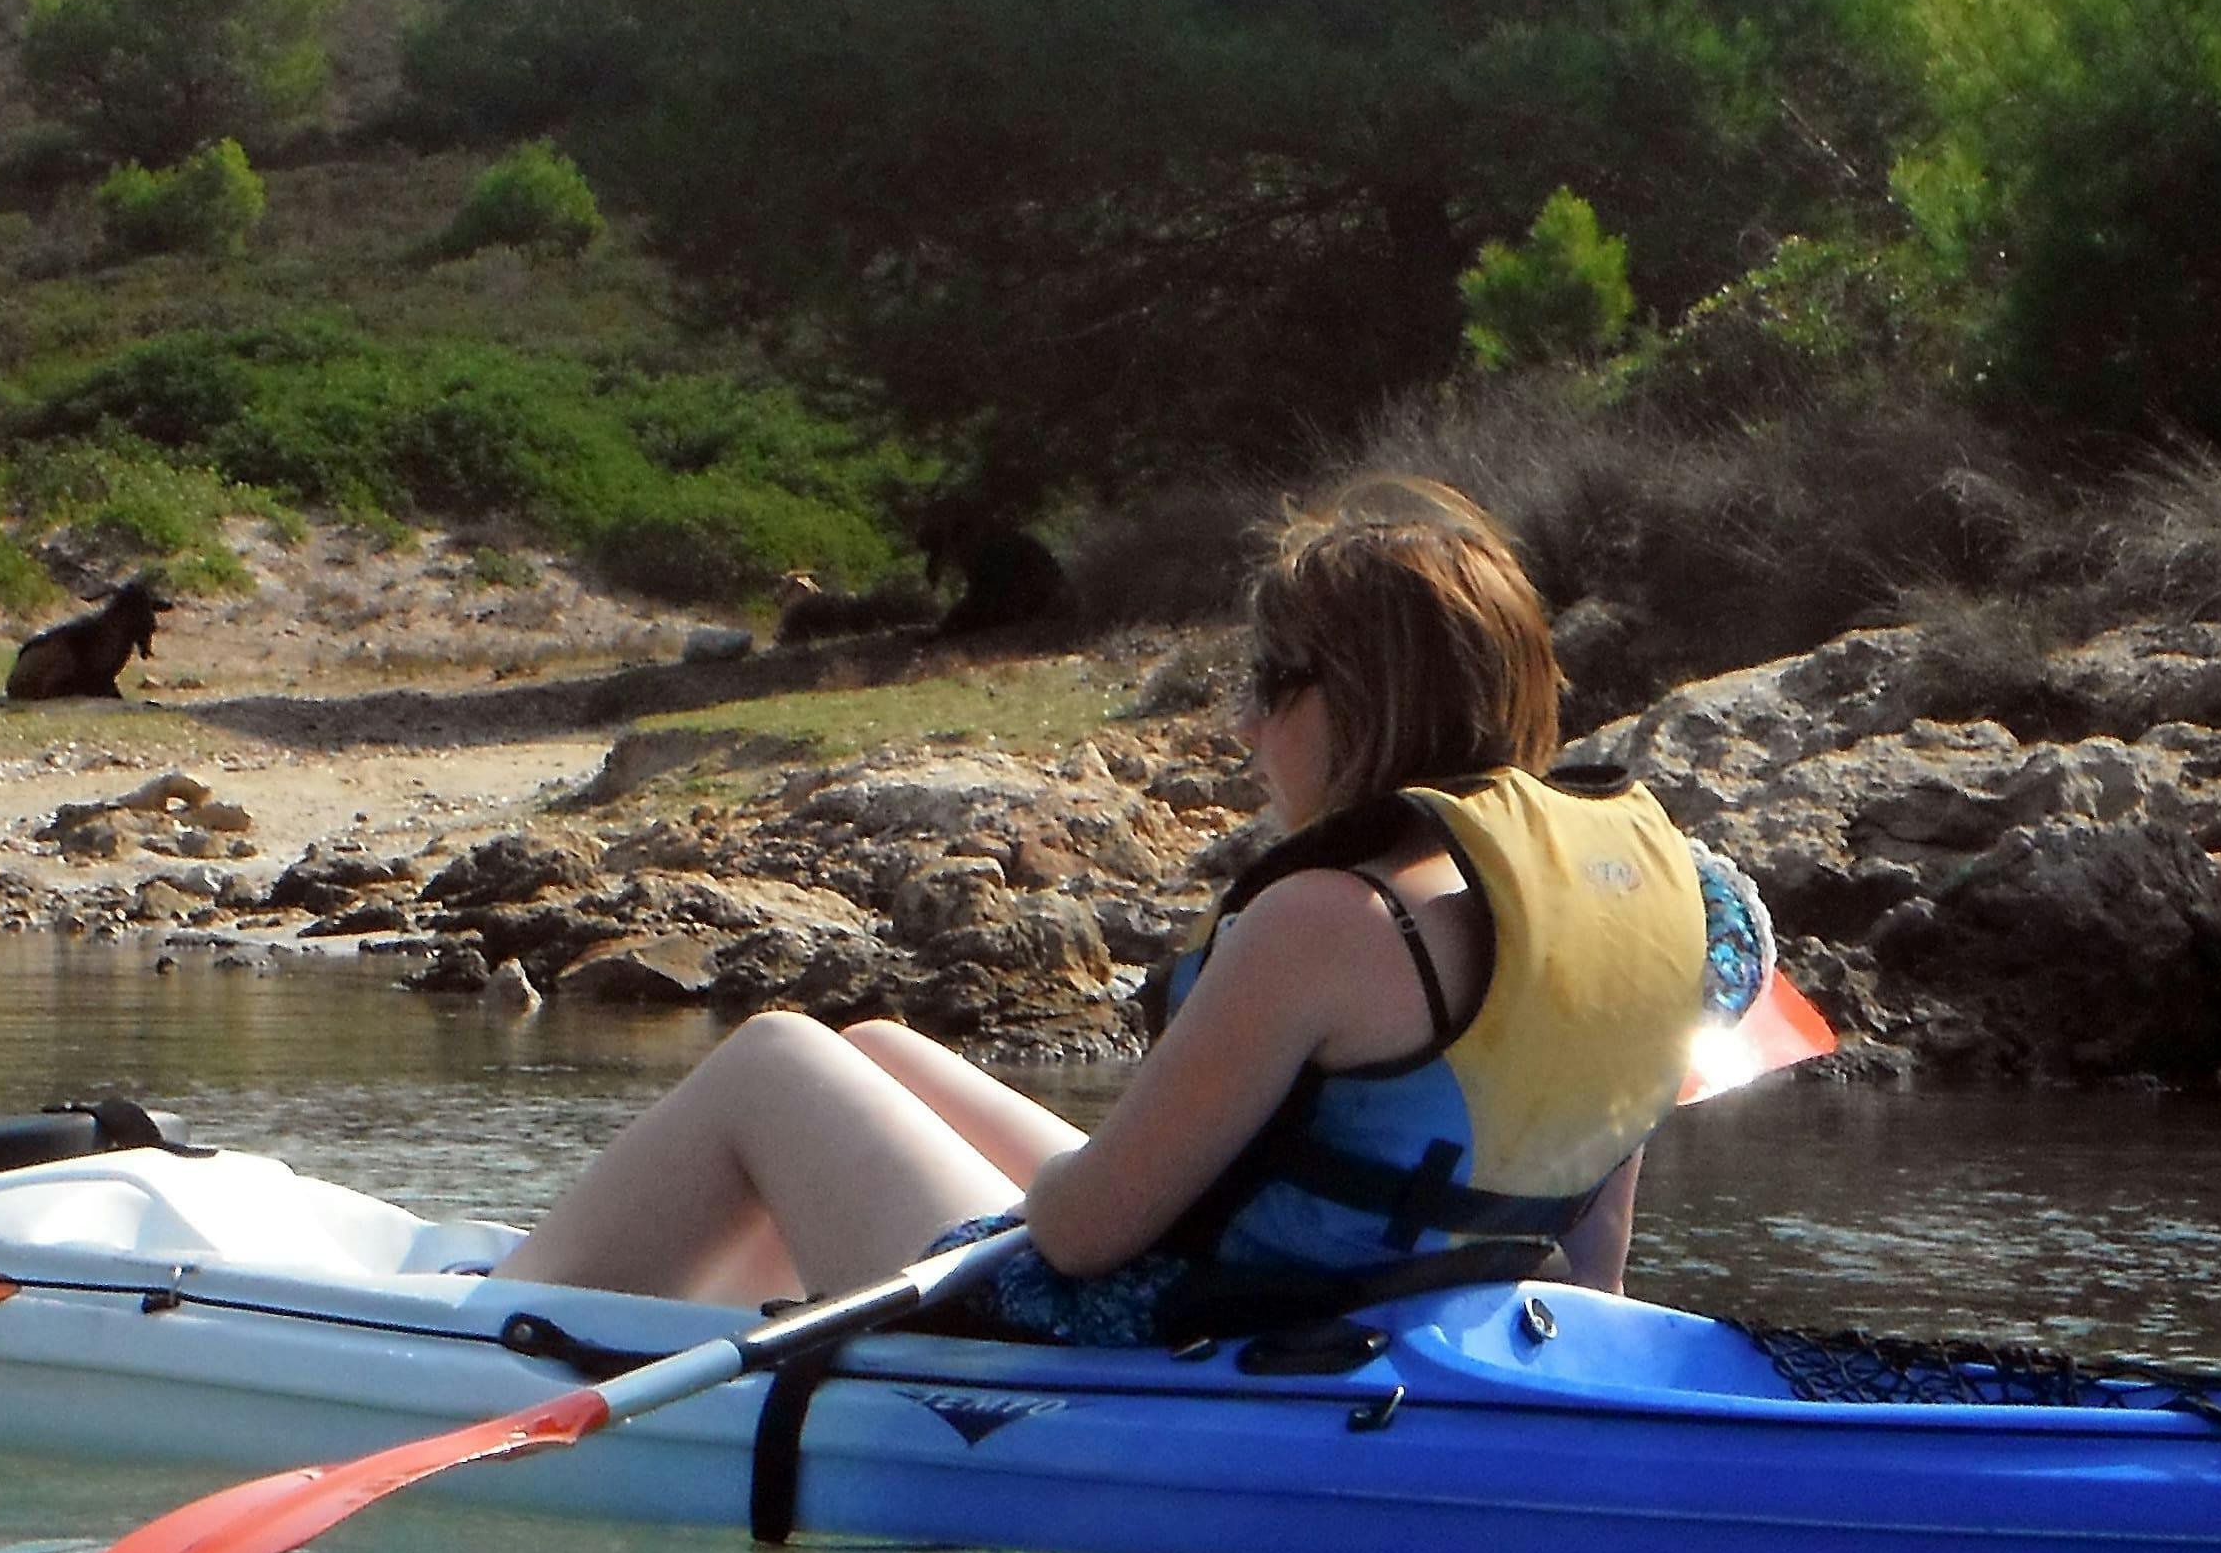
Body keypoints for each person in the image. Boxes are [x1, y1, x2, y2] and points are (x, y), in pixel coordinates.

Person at [501, 477, 1770, 1337]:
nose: (1244, 723)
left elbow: (1093, 1233)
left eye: (1271, 684)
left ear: (1363, 701)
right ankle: (701, 1307)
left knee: (778, 1059)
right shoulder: (1652, 905)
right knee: (879, 1053)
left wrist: (1038, 1209)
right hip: (1346, 1309)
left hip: (1140, 1340)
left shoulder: (1332, 920)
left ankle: (479, 1331)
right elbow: (1594, 1254)